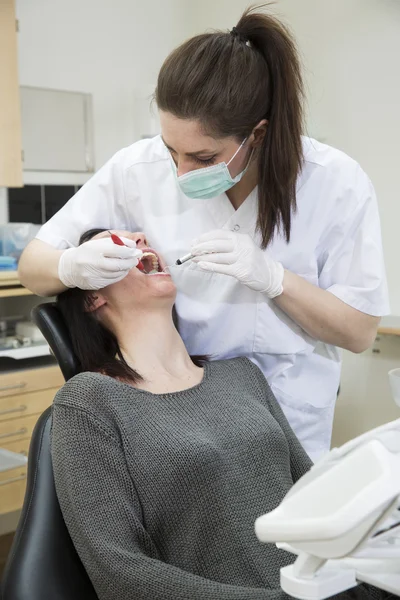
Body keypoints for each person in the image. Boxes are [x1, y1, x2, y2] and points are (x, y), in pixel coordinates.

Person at [20, 7, 389, 460]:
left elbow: (358, 331)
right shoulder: (138, 169)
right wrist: (70, 264)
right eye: (170, 148)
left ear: (258, 133)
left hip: (289, 419)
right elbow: (33, 269)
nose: (179, 172)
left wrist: (275, 279)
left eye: (202, 156)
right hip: (175, 425)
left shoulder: (334, 182)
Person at [51, 229, 387, 600]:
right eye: (114, 244)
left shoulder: (241, 374)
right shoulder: (89, 401)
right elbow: (119, 573)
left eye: (141, 238)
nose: (139, 239)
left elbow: (314, 493)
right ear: (91, 295)